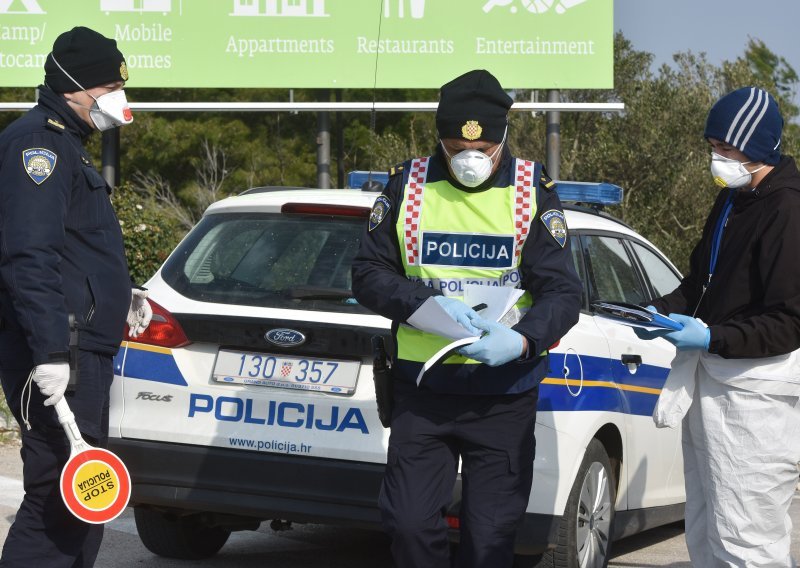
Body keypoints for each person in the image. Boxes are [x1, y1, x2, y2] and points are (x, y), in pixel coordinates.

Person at [351, 69, 582, 567]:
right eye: (456, 147)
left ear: (502, 139)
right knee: (409, 525)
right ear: (439, 137)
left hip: (503, 395)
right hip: (423, 390)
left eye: (482, 149)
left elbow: (563, 293)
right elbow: (367, 273)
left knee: (490, 540)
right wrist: (419, 304)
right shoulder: (405, 186)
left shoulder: (532, 192)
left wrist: (521, 341)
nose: (470, 159)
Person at [0, 26, 151, 567]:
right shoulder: (38, 145)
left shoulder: (66, 144)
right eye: (108, 86)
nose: (118, 98)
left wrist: (119, 293)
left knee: (80, 502)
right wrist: (49, 351)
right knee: (61, 499)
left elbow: (70, 249)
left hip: (80, 343)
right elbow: (28, 255)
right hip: (63, 350)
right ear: (73, 87)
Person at [637, 87, 800, 567]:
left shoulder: (788, 210)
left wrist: (713, 337)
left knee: (746, 535)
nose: (716, 158)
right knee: (707, 526)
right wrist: (657, 310)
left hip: (756, 396)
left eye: (725, 149)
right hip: (712, 382)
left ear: (757, 149)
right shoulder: (733, 198)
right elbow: (701, 282)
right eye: (712, 146)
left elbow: (790, 321)